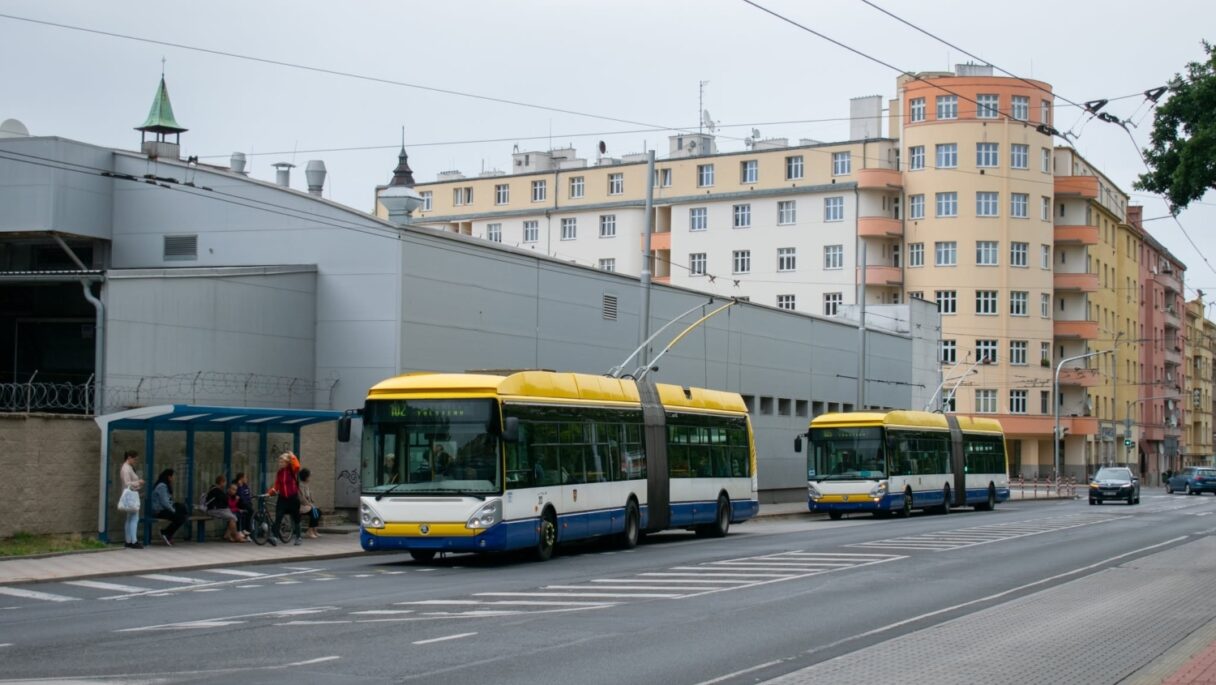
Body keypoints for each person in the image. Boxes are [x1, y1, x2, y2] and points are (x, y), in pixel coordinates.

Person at [269, 451, 302, 545]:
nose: (280, 463)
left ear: (287, 462)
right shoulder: (279, 473)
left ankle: (298, 537)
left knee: (296, 518)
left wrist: (292, 456)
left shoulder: (292, 470)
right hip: (282, 498)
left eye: (282, 462)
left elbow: (297, 466)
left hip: (293, 498)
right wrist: (270, 493)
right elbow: (277, 485)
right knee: (278, 517)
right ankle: (275, 538)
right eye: (280, 462)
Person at [150, 468, 188, 546]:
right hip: (159, 511)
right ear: (168, 477)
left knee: (182, 510)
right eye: (172, 476)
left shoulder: (164, 485)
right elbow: (165, 502)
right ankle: (166, 533)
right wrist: (173, 510)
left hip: (163, 509)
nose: (173, 478)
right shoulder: (162, 486)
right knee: (180, 517)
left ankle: (166, 533)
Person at [204, 474, 246, 543]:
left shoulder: (214, 489)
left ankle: (228, 535)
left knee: (232, 516)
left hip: (216, 509)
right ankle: (236, 537)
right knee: (232, 518)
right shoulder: (217, 490)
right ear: (221, 482)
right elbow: (226, 501)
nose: (225, 484)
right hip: (214, 510)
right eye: (224, 482)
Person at [118, 450, 144, 549]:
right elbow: (127, 483)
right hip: (131, 496)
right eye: (135, 459)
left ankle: (129, 540)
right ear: (129, 457)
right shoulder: (126, 468)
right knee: (134, 518)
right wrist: (139, 482)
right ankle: (133, 541)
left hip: (130, 495)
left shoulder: (127, 467)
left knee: (129, 518)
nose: (135, 461)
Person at [298, 468, 322, 539]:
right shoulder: (300, 485)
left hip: (307, 505)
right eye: (309, 476)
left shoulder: (306, 485)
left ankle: (314, 530)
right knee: (314, 511)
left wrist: (312, 504)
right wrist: (310, 504)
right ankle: (310, 531)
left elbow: (309, 497)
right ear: (306, 477)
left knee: (318, 512)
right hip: (301, 506)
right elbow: (301, 498)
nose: (310, 478)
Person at [233, 472, 253, 536]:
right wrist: (240, 486)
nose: (246, 479)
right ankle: (246, 529)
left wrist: (249, 501)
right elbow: (240, 496)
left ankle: (247, 530)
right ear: (241, 478)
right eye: (245, 477)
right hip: (240, 504)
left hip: (246, 503)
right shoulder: (237, 485)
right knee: (250, 511)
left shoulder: (245, 485)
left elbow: (248, 495)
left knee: (249, 512)